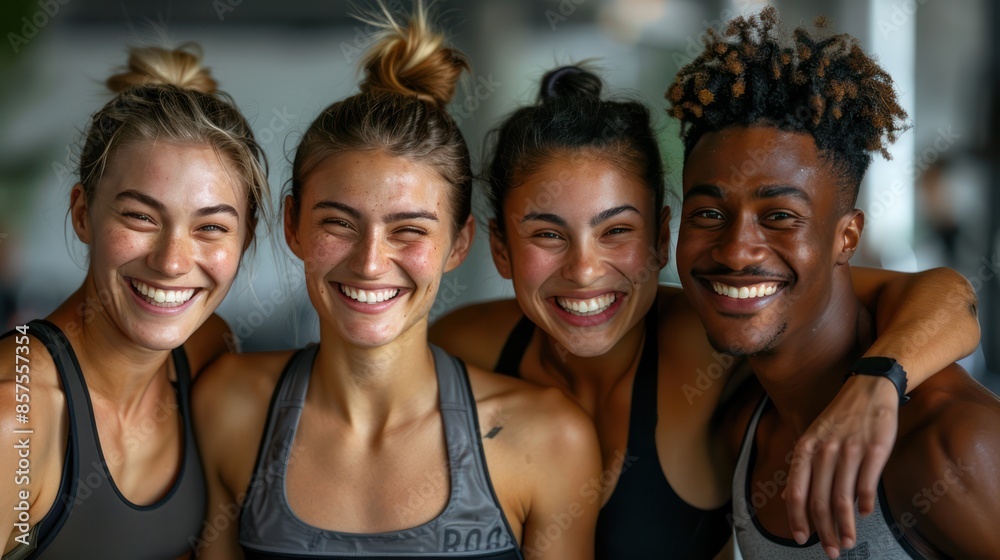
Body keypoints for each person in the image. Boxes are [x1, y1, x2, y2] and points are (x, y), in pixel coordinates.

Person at [430, 65, 980, 558]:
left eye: (616, 230)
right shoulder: (464, 348)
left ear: (659, 236)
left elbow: (950, 298)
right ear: (500, 248)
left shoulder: (719, 331)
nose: (584, 270)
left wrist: (877, 382)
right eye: (548, 234)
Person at [193, 6, 602, 560]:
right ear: (292, 224)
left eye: (409, 230)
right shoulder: (228, 406)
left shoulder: (549, 439)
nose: (369, 263)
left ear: (459, 243)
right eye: (338, 224)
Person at [669, 7, 1000, 559]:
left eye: (779, 216)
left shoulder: (949, 442)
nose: (734, 251)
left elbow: (953, 295)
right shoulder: (740, 424)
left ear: (846, 238)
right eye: (707, 214)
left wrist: (881, 379)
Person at [0, 44, 269, 558]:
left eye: (211, 227)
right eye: (141, 217)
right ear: (83, 213)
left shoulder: (208, 352)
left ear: (246, 240)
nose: (172, 262)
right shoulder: (15, 422)